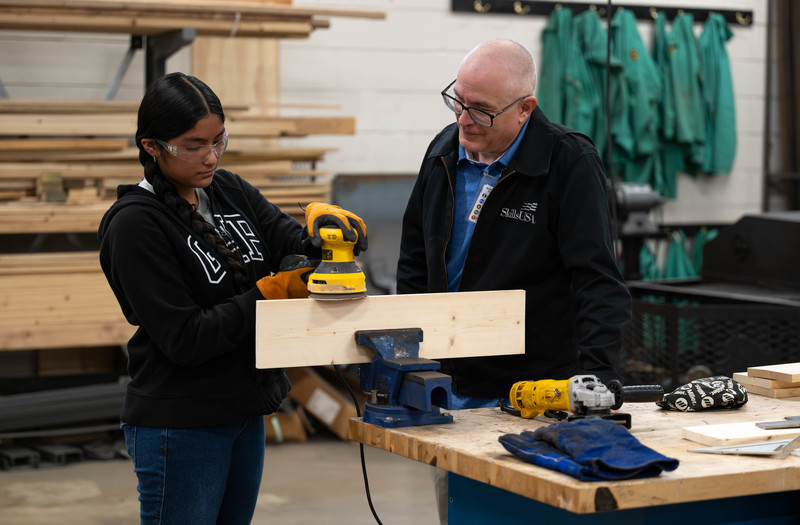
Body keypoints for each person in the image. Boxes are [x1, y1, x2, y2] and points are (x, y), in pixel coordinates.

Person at [98, 72, 366, 524]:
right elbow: (186, 338)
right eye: (193, 145)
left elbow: (290, 242)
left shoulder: (229, 190)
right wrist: (270, 293)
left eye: (218, 140)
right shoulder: (135, 225)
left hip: (245, 409)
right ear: (151, 147)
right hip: (180, 422)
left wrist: (325, 234)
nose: (210, 156)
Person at [395, 39, 631, 523]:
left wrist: (598, 379)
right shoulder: (443, 151)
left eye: (481, 109)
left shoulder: (567, 163)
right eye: (457, 100)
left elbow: (598, 281)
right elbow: (415, 263)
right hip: (452, 384)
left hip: (534, 391)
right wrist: (408, 360)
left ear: (525, 109)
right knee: (462, 511)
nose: (464, 119)